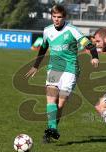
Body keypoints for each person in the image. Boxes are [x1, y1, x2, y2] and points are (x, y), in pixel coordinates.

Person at [25, 4, 99, 143]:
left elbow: (87, 43)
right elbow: (44, 47)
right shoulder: (47, 30)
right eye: (54, 17)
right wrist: (36, 66)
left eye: (59, 17)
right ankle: (51, 130)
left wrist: (94, 56)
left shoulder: (72, 30)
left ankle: (51, 128)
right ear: (52, 16)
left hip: (70, 70)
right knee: (51, 98)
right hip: (54, 68)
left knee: (61, 104)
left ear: (64, 17)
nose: (56, 19)